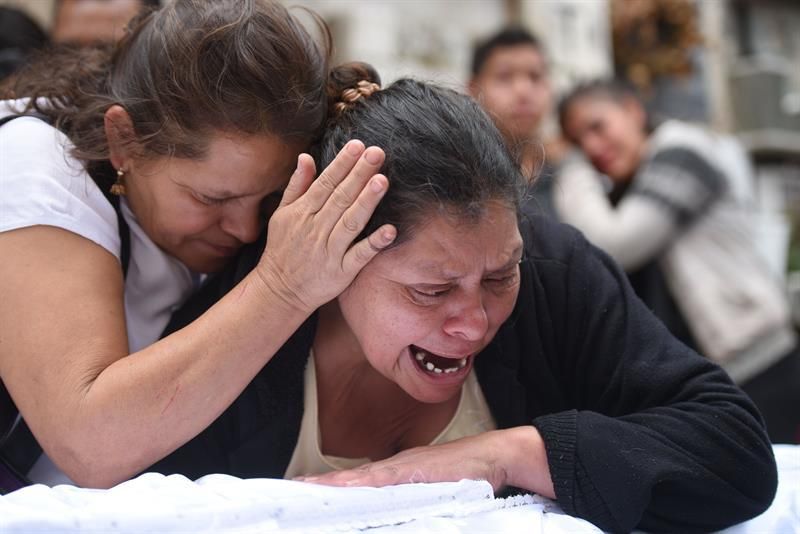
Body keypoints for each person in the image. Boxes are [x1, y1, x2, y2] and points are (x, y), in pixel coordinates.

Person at [151, 63, 778, 532]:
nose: (474, 323)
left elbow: (734, 450)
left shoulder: (555, 273)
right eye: (431, 289)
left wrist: (509, 453)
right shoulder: (239, 323)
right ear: (335, 260)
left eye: (500, 277)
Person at [0, 0, 395, 490]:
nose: (247, 231)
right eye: (213, 198)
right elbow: (89, 441)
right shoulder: (32, 162)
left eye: (268, 199)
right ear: (123, 139)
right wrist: (283, 288)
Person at [554, 79, 799, 442]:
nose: (591, 147)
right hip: (721, 375)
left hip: (758, 361)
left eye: (597, 126)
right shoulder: (635, 180)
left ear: (632, 110)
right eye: (578, 142)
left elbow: (615, 243)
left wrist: (570, 169)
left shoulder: (682, 151)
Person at [468, 26, 562, 217]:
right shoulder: (460, 174)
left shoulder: (570, 168)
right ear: (473, 88)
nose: (523, 90)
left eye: (535, 77)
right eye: (504, 77)